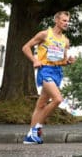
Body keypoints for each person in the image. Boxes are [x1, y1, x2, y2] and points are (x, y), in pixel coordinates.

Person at [21, 10, 76, 144]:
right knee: (58, 99)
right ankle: (37, 128)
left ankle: (30, 136)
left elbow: (62, 60)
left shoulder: (65, 41)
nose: (66, 23)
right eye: (64, 20)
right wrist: (34, 60)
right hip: (45, 70)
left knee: (41, 104)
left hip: (57, 72)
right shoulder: (44, 34)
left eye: (67, 21)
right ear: (56, 20)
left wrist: (67, 61)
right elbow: (26, 47)